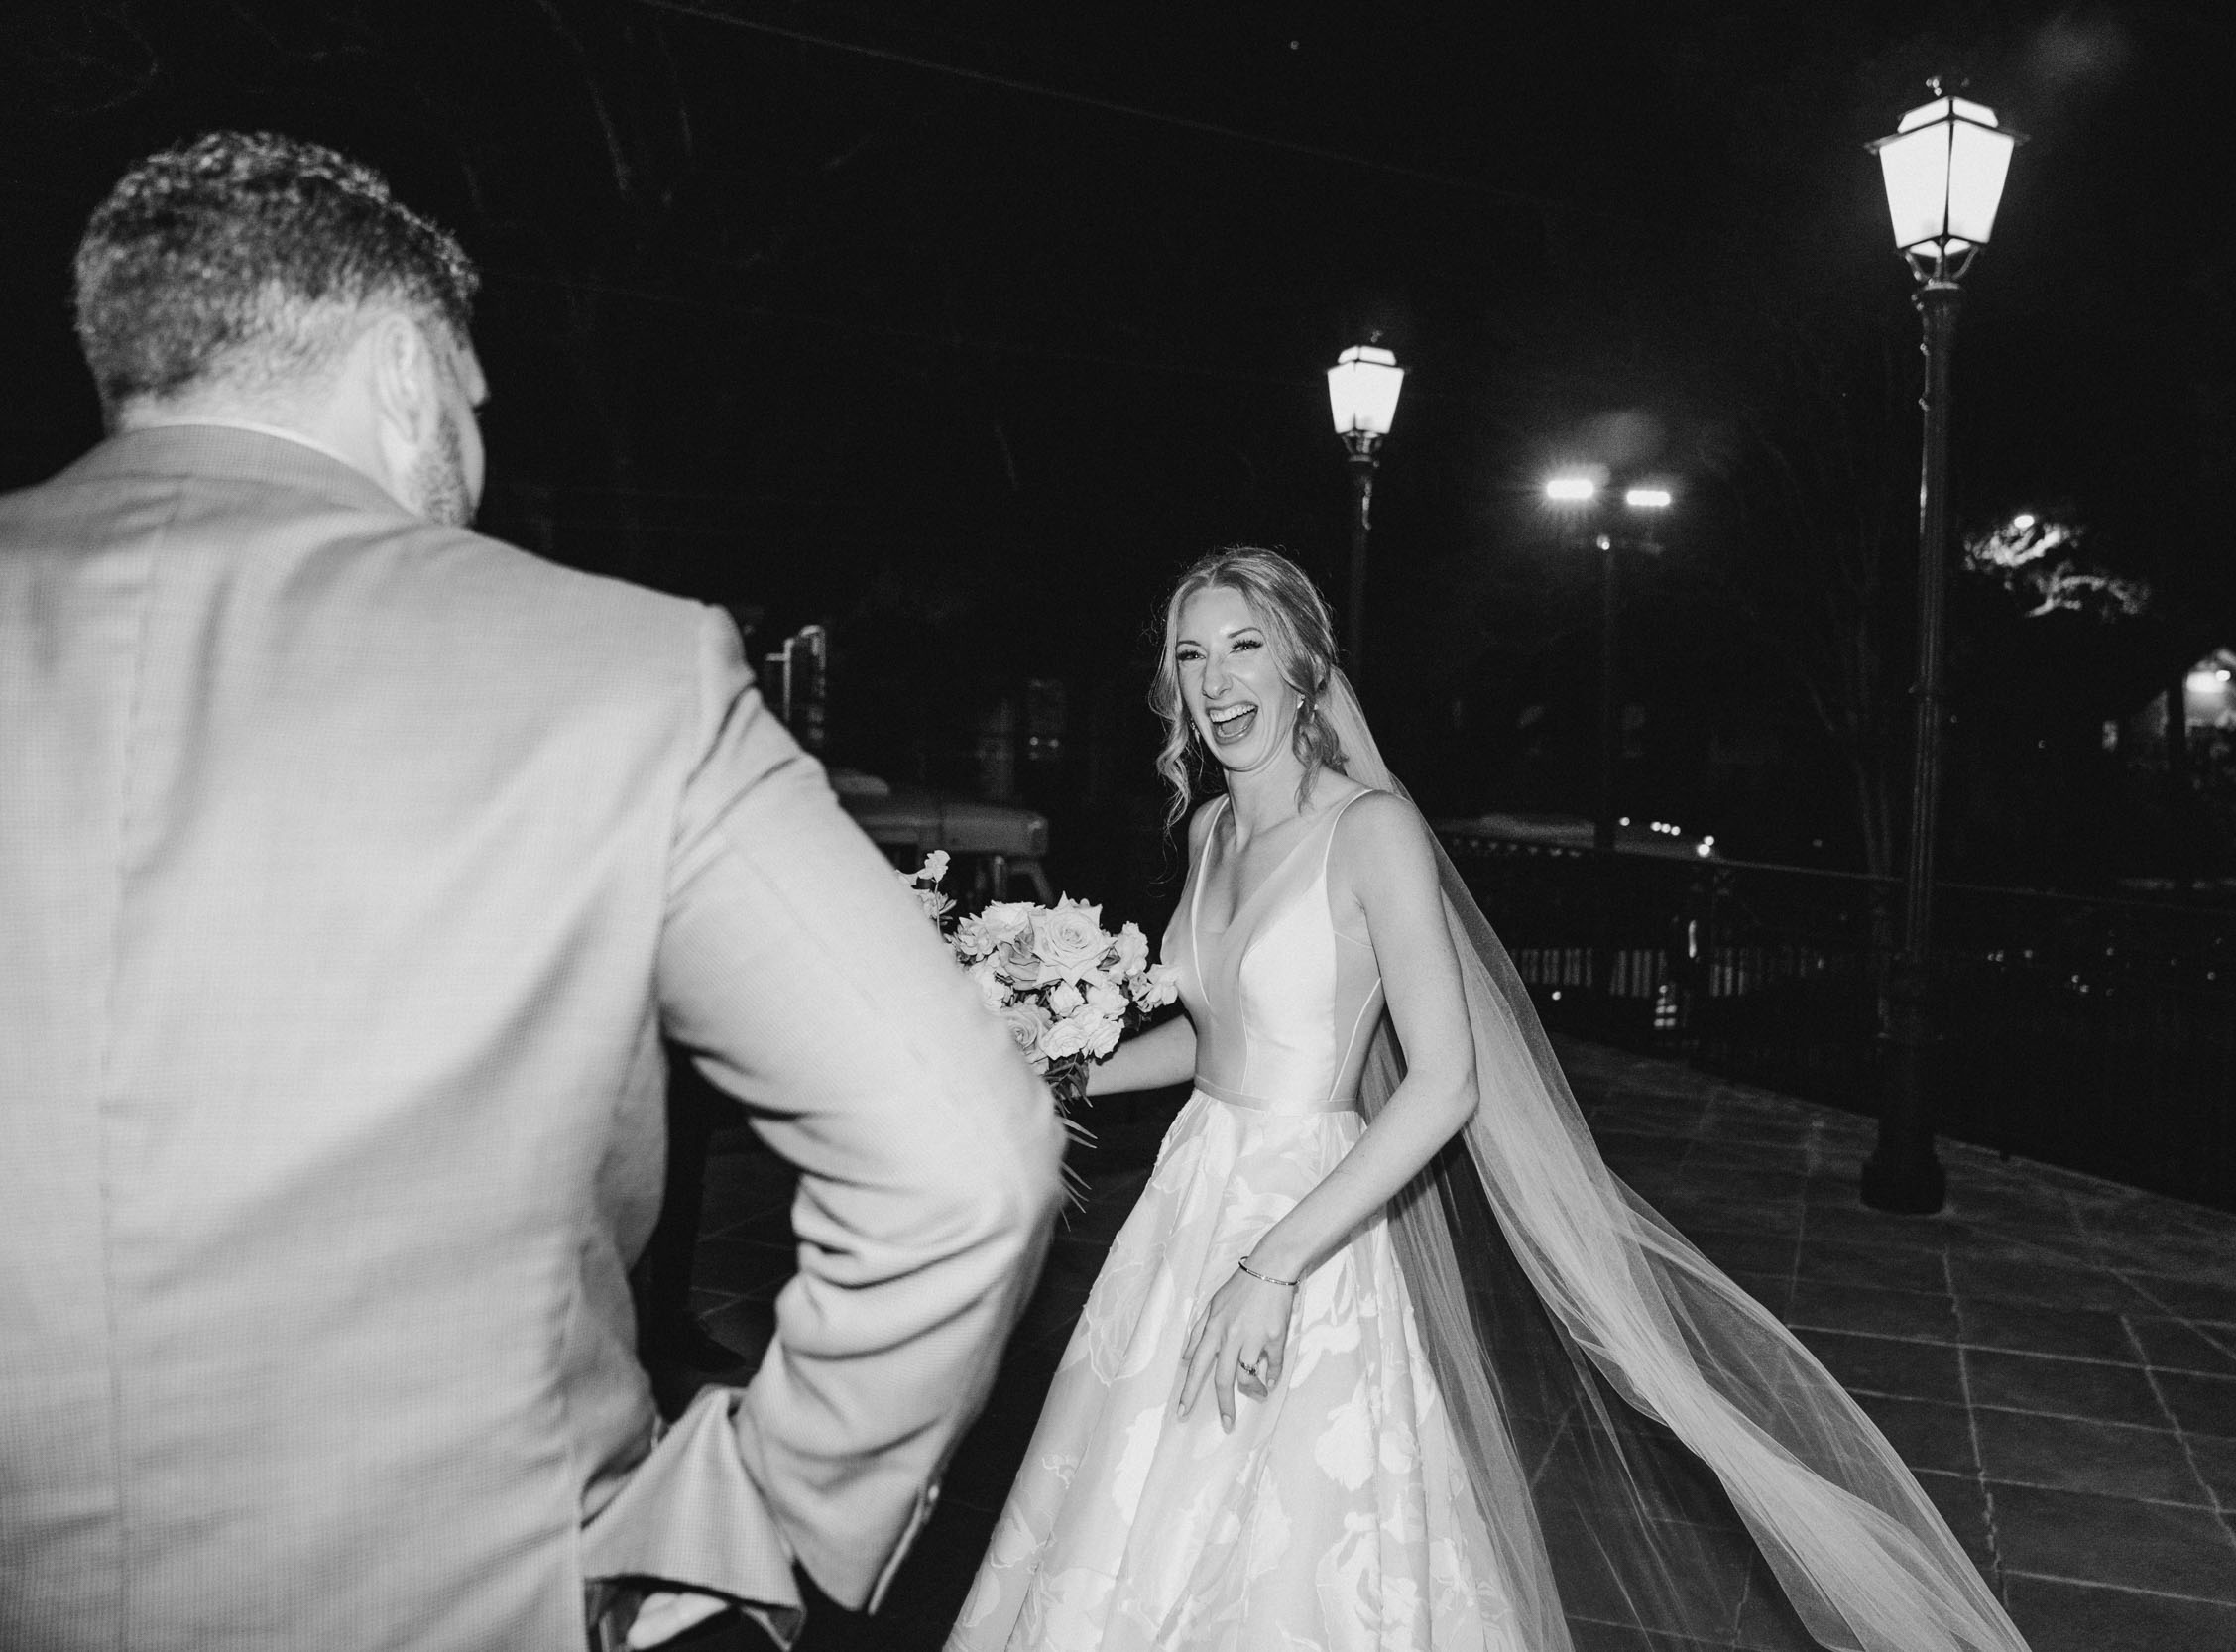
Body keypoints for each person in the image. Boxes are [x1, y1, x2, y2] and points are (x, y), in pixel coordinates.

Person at [0, 132, 1064, 1652]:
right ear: (404, 369)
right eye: (475, 403)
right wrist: (742, 1524)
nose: (477, 451)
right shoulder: (623, 674)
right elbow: (960, 1159)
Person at [949, 548, 2029, 1652]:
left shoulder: (1371, 831)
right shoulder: (1207, 832)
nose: (1216, 680)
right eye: (1191, 654)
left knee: (1281, 1539)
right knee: (1132, 1502)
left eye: (1244, 646)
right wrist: (1056, 1065)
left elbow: (1447, 1082)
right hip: (1186, 1205)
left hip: (1307, 1221)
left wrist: (1274, 1264)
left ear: (1304, 667)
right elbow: (1217, 1040)